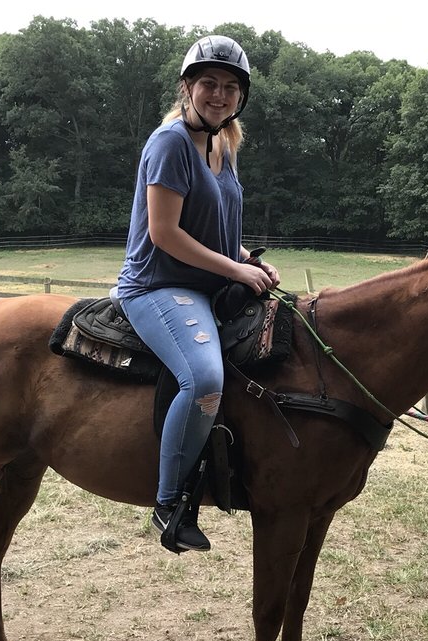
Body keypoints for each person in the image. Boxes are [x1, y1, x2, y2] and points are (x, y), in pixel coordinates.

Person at [115, 35, 280, 552]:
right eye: (208, 83)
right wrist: (233, 269)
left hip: (209, 282)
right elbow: (165, 233)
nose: (219, 94)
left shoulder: (222, 144)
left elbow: (216, 228)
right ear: (187, 87)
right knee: (204, 376)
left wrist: (248, 260)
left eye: (231, 87)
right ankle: (170, 502)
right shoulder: (169, 143)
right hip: (159, 285)